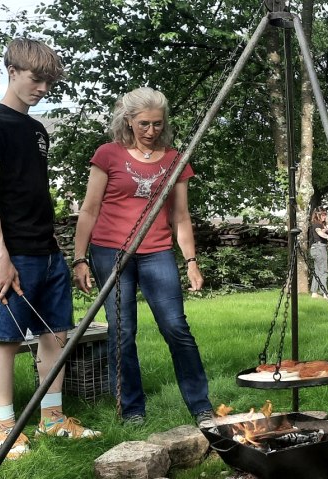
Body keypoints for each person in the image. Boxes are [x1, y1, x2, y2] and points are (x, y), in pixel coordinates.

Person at [0, 38, 100, 459]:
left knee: (55, 334)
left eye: (49, 81)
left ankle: (52, 418)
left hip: (46, 250)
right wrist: (1, 258)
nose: (43, 87)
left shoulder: (37, 129)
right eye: (36, 78)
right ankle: (5, 428)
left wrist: (56, 249)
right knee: (5, 341)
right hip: (9, 252)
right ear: (12, 71)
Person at [71, 87, 215, 427]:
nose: (151, 131)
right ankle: (132, 410)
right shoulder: (108, 154)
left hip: (157, 253)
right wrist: (80, 257)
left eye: (157, 124)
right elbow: (89, 210)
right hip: (110, 253)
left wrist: (191, 262)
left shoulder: (174, 159)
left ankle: (201, 406)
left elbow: (180, 216)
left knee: (176, 327)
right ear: (128, 121)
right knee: (122, 332)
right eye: (144, 124)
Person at [308, 207, 328, 298]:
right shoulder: (317, 224)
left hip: (315, 248)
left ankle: (314, 292)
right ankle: (325, 293)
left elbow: (323, 231)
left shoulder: (317, 224)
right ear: (318, 214)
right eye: (323, 214)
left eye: (325, 214)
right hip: (319, 248)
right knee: (323, 271)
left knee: (317, 271)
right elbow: (320, 233)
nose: (325, 216)